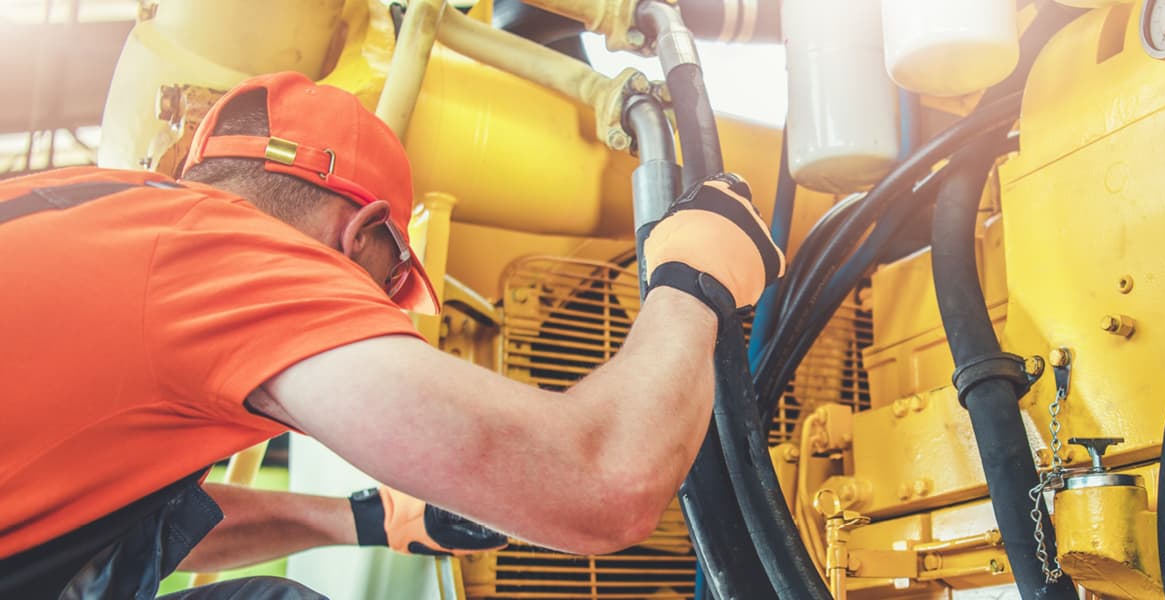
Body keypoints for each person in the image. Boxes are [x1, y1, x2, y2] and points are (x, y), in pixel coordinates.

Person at [0, 71, 784, 599]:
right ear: (365, 233)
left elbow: (140, 525)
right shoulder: (215, 250)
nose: (374, 311)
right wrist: (693, 281)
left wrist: (368, 519)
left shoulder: (96, 209)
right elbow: (604, 485)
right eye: (387, 286)